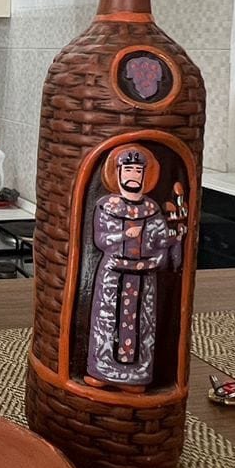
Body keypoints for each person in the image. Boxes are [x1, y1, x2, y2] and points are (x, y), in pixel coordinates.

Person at [85, 147, 184, 389]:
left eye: (138, 171)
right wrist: (123, 235)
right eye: (128, 170)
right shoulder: (106, 206)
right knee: (107, 322)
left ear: (145, 175)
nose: (133, 175)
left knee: (142, 326)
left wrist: (175, 237)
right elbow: (101, 240)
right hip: (113, 275)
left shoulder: (151, 209)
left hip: (144, 276)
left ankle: (136, 378)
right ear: (118, 173)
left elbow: (160, 240)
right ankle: (102, 372)